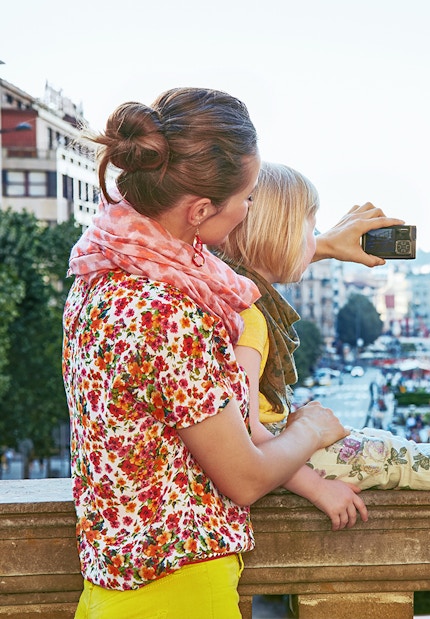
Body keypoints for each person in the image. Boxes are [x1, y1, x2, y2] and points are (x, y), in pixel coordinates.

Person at [62, 88, 352, 619]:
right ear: (200, 209)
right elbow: (243, 476)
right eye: (246, 198)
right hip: (180, 585)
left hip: (112, 580)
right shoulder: (172, 311)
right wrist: (311, 428)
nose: (247, 212)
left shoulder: (100, 272)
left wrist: (324, 240)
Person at [218, 161, 430, 520]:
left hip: (284, 446)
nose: (315, 241)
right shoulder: (250, 317)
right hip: (282, 454)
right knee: (400, 458)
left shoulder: (231, 295)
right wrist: (317, 488)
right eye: (310, 229)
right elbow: (247, 434)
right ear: (282, 235)